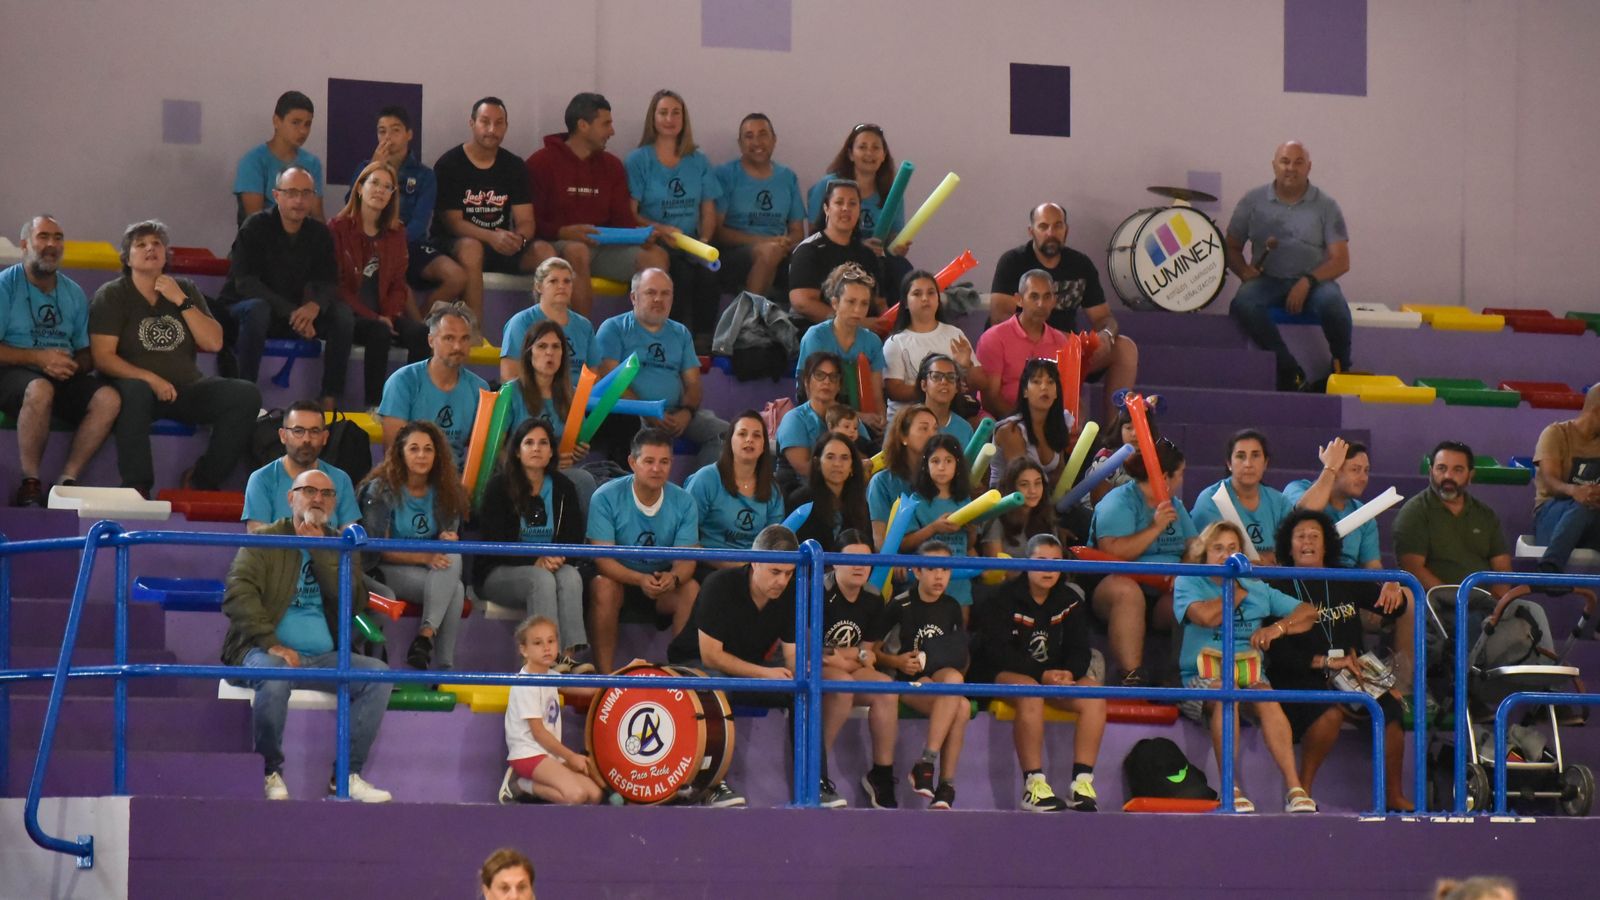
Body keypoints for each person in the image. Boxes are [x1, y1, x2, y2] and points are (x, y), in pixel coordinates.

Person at [220, 468, 392, 803]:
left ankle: (347, 775)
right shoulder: (265, 540)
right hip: (261, 649)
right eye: (309, 490)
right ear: (291, 497)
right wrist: (273, 643)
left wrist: (320, 551)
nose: (318, 499)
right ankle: (270, 771)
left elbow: (353, 602)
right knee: (274, 675)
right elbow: (237, 595)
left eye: (327, 494)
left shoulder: (340, 546)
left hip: (324, 656)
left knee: (378, 676)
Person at [90, 220, 260, 496]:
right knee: (135, 390)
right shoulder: (112, 294)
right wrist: (151, 378)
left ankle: (203, 480)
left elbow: (214, 342)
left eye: (157, 243)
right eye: (141, 244)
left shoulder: (184, 289)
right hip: (134, 387)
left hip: (185, 388)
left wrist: (181, 300)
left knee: (245, 394)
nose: (150, 248)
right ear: (127, 257)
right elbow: (102, 357)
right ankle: (137, 486)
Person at [1266, 509, 1412, 811]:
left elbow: (1391, 609)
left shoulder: (1344, 578)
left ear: (1326, 545)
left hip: (1354, 672)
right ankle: (1302, 792)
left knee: (1391, 709)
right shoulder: (1276, 586)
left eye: (1314, 536)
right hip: (1301, 674)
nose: (1307, 542)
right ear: (1288, 546)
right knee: (1329, 714)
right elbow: (1276, 653)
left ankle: (1393, 795)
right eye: (1300, 536)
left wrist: (1394, 587)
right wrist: (1322, 662)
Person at [1173, 521, 1319, 813]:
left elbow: (1308, 612)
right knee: (1228, 694)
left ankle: (1295, 789)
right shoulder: (1189, 581)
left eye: (1232, 549)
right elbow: (1205, 617)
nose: (1225, 556)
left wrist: (1278, 628)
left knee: (1269, 701)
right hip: (1201, 681)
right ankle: (1230, 788)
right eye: (1218, 549)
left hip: (1250, 676)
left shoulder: (1259, 588)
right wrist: (1236, 589)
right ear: (1205, 553)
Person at [665, 525, 801, 808]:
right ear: (755, 561)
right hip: (694, 664)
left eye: (788, 573)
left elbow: (792, 655)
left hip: (746, 668)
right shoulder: (720, 584)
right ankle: (713, 784)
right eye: (776, 572)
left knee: (804, 692)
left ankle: (815, 782)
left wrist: (799, 677)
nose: (782, 581)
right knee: (717, 684)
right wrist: (767, 674)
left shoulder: (790, 594)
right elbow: (712, 656)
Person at [973, 534, 1104, 812]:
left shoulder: (1070, 600)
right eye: (1041, 561)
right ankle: (1033, 784)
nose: (1048, 569)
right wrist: (1042, 674)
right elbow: (997, 653)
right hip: (1003, 673)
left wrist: (1068, 672)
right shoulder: (1002, 598)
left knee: (1094, 695)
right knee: (1030, 692)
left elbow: (1081, 649)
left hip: (1052, 677)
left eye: (1055, 562)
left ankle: (1081, 783)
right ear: (1026, 562)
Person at [1, 215, 119, 505]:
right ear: (26, 244)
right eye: (43, 237)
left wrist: (75, 366)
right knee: (40, 388)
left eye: (58, 238)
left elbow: (86, 353)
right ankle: (30, 484)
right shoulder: (5, 285)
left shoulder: (73, 292)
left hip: (60, 372)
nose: (51, 245)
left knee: (108, 399)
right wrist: (38, 358)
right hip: (12, 371)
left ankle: (66, 481)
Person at [217, 166, 352, 410]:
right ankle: (244, 392)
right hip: (245, 311)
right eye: (291, 193)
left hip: (291, 315)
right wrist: (292, 311)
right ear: (276, 195)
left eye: (305, 193)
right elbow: (245, 283)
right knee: (258, 309)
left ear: (313, 198)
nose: (298, 200)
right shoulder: (255, 226)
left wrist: (314, 306)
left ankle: (330, 397)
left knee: (341, 315)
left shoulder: (319, 233)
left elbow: (329, 281)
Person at [1225, 140, 1354, 391]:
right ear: (1274, 165)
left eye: (1298, 162)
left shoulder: (1326, 206)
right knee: (1243, 302)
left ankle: (1341, 369)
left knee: (1334, 304)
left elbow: (1341, 260)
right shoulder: (1252, 201)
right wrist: (1243, 271)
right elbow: (1231, 247)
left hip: (1314, 283)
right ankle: (1289, 370)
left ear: (1309, 167)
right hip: (1268, 281)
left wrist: (1307, 281)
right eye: (1285, 161)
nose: (1290, 168)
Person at [525, 92, 667, 317]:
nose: (612, 131)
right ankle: (584, 340)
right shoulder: (541, 163)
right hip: (560, 244)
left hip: (604, 247)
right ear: (583, 125)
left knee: (656, 256)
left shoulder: (612, 166)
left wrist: (640, 236)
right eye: (606, 124)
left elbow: (623, 221)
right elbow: (529, 223)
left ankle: (647, 335)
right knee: (577, 250)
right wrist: (564, 232)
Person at [988, 203, 1136, 414]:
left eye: (1058, 226)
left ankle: (1113, 433)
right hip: (1024, 349)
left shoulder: (1081, 264)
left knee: (1125, 348)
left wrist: (1105, 335)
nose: (1051, 233)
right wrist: (1056, 339)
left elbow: (1104, 317)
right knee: (1077, 412)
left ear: (1066, 230)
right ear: (1031, 231)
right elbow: (999, 317)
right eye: (1043, 226)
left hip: (1069, 351)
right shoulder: (1013, 262)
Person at [587, 428, 701, 675]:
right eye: (649, 461)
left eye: (664, 462)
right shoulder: (605, 497)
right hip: (620, 581)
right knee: (602, 585)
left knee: (690, 587)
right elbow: (603, 560)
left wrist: (674, 577)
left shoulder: (684, 502)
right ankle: (605, 680)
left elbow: (687, 560)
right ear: (632, 462)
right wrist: (639, 579)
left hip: (662, 587)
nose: (657, 469)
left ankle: (680, 676)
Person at [357, 420, 468, 671]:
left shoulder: (447, 490)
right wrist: (424, 558)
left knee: (455, 560)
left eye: (428, 449)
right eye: (414, 449)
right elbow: (375, 550)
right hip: (384, 569)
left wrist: (446, 540)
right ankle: (443, 667)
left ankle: (425, 639)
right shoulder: (380, 490)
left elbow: (447, 542)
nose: (422, 455)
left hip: (432, 570)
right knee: (456, 589)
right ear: (400, 453)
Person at [477, 420, 589, 670]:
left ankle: (566, 659)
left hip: (549, 566)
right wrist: (534, 561)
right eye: (529, 443)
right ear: (517, 451)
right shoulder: (499, 487)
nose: (536, 449)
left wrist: (559, 557)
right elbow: (494, 542)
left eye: (543, 443)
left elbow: (573, 535)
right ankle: (541, 663)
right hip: (499, 572)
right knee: (540, 579)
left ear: (551, 452)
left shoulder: (563, 487)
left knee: (570, 575)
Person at [432, 97, 554, 325]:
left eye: (499, 123)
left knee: (545, 252)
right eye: (485, 122)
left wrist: (519, 238)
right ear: (472, 123)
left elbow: (526, 220)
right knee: (471, 247)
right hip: (455, 245)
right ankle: (474, 332)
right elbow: (452, 222)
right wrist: (491, 236)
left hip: (500, 245)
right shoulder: (450, 164)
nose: (492, 129)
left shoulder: (514, 166)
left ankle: (545, 333)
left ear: (506, 127)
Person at [592, 268, 726, 468]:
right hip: (634, 415)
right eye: (651, 293)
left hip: (676, 412)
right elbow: (612, 382)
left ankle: (701, 490)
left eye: (665, 294)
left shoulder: (680, 333)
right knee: (627, 428)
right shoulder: (613, 328)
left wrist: (687, 412)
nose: (658, 299)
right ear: (634, 297)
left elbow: (693, 383)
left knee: (725, 434)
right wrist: (649, 412)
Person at [1088, 437, 1195, 686]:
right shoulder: (1119, 501)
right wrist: (1155, 527)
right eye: (1180, 475)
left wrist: (1183, 569)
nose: (1181, 481)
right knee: (1128, 592)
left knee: (1191, 593)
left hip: (1163, 591)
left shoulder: (1175, 506)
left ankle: (1184, 676)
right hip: (1114, 587)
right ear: (1165, 478)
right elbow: (1114, 553)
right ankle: (1131, 676)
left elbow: (1195, 545)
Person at [626, 90, 723, 351]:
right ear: (653, 118)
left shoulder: (698, 160)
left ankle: (703, 343)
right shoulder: (638, 160)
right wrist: (660, 229)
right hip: (657, 240)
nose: (670, 119)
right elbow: (629, 213)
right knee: (677, 274)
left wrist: (703, 242)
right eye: (663, 112)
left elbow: (708, 209)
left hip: (692, 242)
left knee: (709, 272)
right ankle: (671, 342)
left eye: (676, 113)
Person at [875, 541, 970, 810]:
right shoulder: (900, 605)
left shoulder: (952, 606)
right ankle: (945, 783)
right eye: (931, 569)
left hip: (938, 680)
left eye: (945, 569)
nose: (939, 576)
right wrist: (897, 661)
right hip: (907, 681)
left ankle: (930, 766)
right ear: (916, 572)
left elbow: (957, 650)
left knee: (955, 684)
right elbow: (872, 651)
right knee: (960, 706)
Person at [328, 160, 429, 408]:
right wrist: (374, 317)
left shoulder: (396, 233)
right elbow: (337, 286)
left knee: (422, 334)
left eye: (387, 187)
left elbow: (398, 283)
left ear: (392, 196)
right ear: (360, 188)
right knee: (379, 332)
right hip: (352, 314)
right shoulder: (337, 228)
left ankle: (411, 404)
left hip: (384, 312)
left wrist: (389, 314)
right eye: (374, 183)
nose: (380, 190)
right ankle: (376, 405)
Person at [351, 105, 466, 309]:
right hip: (372, 246)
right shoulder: (364, 169)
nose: (388, 137)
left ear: (409, 134)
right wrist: (374, 168)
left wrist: (394, 241)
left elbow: (420, 223)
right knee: (396, 279)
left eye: (395, 130)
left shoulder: (424, 175)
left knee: (456, 276)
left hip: (410, 245)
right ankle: (416, 331)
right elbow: (351, 209)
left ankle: (425, 327)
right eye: (382, 131)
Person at [817, 532, 901, 809]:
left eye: (865, 560)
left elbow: (867, 654)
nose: (859, 566)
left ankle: (881, 774)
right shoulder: (817, 590)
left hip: (844, 665)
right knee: (842, 687)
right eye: (851, 559)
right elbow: (807, 650)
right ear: (835, 563)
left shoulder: (873, 597)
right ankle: (816, 770)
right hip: (814, 666)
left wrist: (843, 657)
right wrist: (845, 658)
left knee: (887, 690)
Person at [498, 616, 601, 806]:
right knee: (576, 796)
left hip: (548, 755)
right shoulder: (526, 683)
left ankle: (529, 785)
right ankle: (520, 786)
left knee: (594, 794)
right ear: (524, 650)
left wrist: (625, 676)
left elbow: (588, 689)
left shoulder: (551, 675)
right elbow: (538, 733)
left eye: (551, 641)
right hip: (528, 754)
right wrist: (571, 757)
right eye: (538, 643)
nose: (546, 648)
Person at [804, 123, 911, 300]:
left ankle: (895, 322)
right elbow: (813, 235)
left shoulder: (892, 193)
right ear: (850, 154)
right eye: (862, 147)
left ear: (883, 155)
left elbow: (892, 237)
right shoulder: (829, 185)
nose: (869, 153)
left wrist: (897, 247)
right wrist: (858, 247)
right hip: (836, 256)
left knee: (902, 269)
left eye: (876, 148)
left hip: (878, 260)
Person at [1395, 441, 1513, 595]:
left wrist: (1496, 606)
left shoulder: (1486, 514)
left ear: (1470, 475)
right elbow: (1413, 569)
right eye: (1441, 468)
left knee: (1532, 613)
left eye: (1458, 470)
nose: (1448, 476)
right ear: (1431, 472)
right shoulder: (1414, 512)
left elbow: (1502, 568)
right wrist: (1457, 601)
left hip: (1485, 605)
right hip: (1435, 605)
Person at [376, 304, 488, 464]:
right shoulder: (402, 381)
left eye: (464, 339)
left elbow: (480, 454)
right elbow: (393, 452)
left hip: (455, 479)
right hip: (410, 476)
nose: (458, 346)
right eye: (449, 338)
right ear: (431, 341)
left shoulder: (479, 388)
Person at [502, 319, 596, 504]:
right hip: (518, 470)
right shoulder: (510, 392)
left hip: (558, 472)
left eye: (556, 347)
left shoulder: (574, 394)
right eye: (542, 346)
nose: (549, 353)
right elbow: (497, 449)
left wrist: (578, 452)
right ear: (529, 354)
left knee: (584, 481)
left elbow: (574, 445)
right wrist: (528, 467)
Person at [713, 113, 806, 297]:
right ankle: (749, 319)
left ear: (774, 140)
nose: (757, 142)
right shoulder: (725, 175)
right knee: (770, 251)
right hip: (736, 253)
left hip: (780, 250)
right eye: (749, 136)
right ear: (740, 144)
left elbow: (797, 231)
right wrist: (765, 242)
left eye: (763, 134)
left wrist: (784, 242)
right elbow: (718, 232)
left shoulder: (787, 177)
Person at [686, 411, 785, 575]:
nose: (749, 440)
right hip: (710, 567)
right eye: (742, 434)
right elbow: (687, 536)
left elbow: (773, 541)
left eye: (757, 435)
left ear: (763, 446)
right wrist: (732, 565)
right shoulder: (706, 479)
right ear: (730, 441)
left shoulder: (772, 489)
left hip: (755, 571)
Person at [242, 400, 363, 532]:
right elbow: (257, 542)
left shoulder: (341, 479)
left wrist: (320, 548)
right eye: (298, 431)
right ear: (283, 436)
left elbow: (349, 541)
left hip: (329, 553)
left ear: (325, 437)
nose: (306, 439)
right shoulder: (261, 479)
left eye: (314, 431)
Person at [884, 269, 985, 425]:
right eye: (917, 294)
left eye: (931, 293)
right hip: (909, 421)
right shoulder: (896, 342)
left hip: (951, 415)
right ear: (905, 303)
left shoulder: (954, 333)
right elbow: (894, 390)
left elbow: (980, 381)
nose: (925, 298)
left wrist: (967, 366)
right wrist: (934, 388)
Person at [794, 263, 886, 430]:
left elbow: (876, 395)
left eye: (864, 304)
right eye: (851, 302)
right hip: (819, 419)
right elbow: (811, 395)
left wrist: (881, 422)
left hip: (860, 425)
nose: (857, 310)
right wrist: (859, 417)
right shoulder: (816, 337)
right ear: (835, 303)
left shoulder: (872, 342)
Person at [975, 270, 1070, 419]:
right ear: (1019, 300)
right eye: (1034, 296)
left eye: (1047, 297)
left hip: (1048, 422)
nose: (1041, 304)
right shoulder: (994, 338)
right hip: (1004, 421)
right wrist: (1024, 425)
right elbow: (990, 400)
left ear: (1054, 301)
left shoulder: (1061, 342)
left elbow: (1066, 394)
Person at [1189, 429, 1293, 564]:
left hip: (1272, 580)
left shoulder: (1280, 503)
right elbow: (1208, 554)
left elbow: (1290, 551)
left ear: (1265, 463)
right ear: (1229, 463)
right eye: (1240, 456)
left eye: (1255, 456)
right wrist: (1257, 560)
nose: (1248, 464)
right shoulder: (1211, 499)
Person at [898, 434, 978, 608]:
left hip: (959, 581)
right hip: (925, 580)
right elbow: (905, 543)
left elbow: (969, 544)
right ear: (925, 466)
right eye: (935, 461)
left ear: (957, 465)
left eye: (948, 461)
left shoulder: (965, 500)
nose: (942, 467)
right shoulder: (916, 500)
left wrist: (971, 530)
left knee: (958, 632)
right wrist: (934, 528)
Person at [789, 180, 883, 323]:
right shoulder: (808, 250)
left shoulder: (867, 254)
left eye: (852, 203)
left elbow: (879, 303)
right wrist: (852, 323)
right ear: (826, 208)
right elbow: (802, 303)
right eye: (839, 202)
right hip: (815, 333)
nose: (846, 208)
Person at [1531, 385, 1600, 574]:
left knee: (1589, 508)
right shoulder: (1555, 434)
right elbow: (1550, 482)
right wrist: (1576, 491)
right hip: (1551, 516)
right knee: (1583, 506)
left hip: (1591, 520)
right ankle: (1549, 569)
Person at [1282, 437, 1382, 569]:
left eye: (1366, 471)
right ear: (1336, 469)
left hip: (1346, 583)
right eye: (1355, 470)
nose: (1363, 478)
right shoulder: (1296, 488)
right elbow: (1306, 513)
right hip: (1301, 576)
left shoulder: (1365, 514)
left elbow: (1372, 567)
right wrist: (1330, 467)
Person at [233, 90, 324, 225]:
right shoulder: (253, 162)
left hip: (303, 242)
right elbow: (254, 223)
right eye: (296, 122)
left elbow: (317, 218)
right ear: (276, 121)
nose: (303, 131)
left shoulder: (312, 163)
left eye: (307, 124)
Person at [499, 257, 596, 384]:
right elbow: (509, 376)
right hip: (533, 400)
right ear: (539, 287)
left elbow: (593, 376)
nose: (561, 286)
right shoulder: (520, 323)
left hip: (578, 401)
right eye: (553, 281)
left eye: (567, 281)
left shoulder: (584, 326)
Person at [777, 351, 855, 489]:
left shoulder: (848, 415)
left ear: (839, 386)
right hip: (802, 490)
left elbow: (863, 451)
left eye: (833, 377)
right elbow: (803, 468)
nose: (827, 381)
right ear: (807, 382)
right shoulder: (794, 419)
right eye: (819, 375)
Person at [990, 358, 1071, 489]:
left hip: (1042, 500)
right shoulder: (1010, 430)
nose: (1044, 387)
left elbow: (1060, 472)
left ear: (1056, 392)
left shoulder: (1059, 423)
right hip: (1008, 503)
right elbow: (1023, 480)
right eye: (1036, 382)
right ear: (1025, 391)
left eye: (1050, 382)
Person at [787, 433, 873, 552]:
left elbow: (867, 547)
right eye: (830, 457)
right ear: (817, 463)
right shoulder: (800, 501)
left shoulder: (861, 504)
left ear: (852, 466)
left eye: (844, 458)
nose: (837, 464)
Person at [868, 404, 939, 548]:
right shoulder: (881, 482)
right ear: (903, 436)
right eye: (924, 428)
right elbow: (880, 541)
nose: (933, 435)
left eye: (935, 429)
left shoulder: (943, 477)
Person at [981, 458, 1062, 566]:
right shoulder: (996, 518)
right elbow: (997, 570)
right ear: (1011, 487)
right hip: (1008, 582)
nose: (1033, 491)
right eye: (1024, 484)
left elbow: (1055, 563)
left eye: (1038, 483)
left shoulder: (1046, 517)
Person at [909, 354, 974, 447]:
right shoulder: (906, 421)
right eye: (936, 376)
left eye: (951, 377)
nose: (944, 381)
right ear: (924, 385)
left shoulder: (965, 429)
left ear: (956, 388)